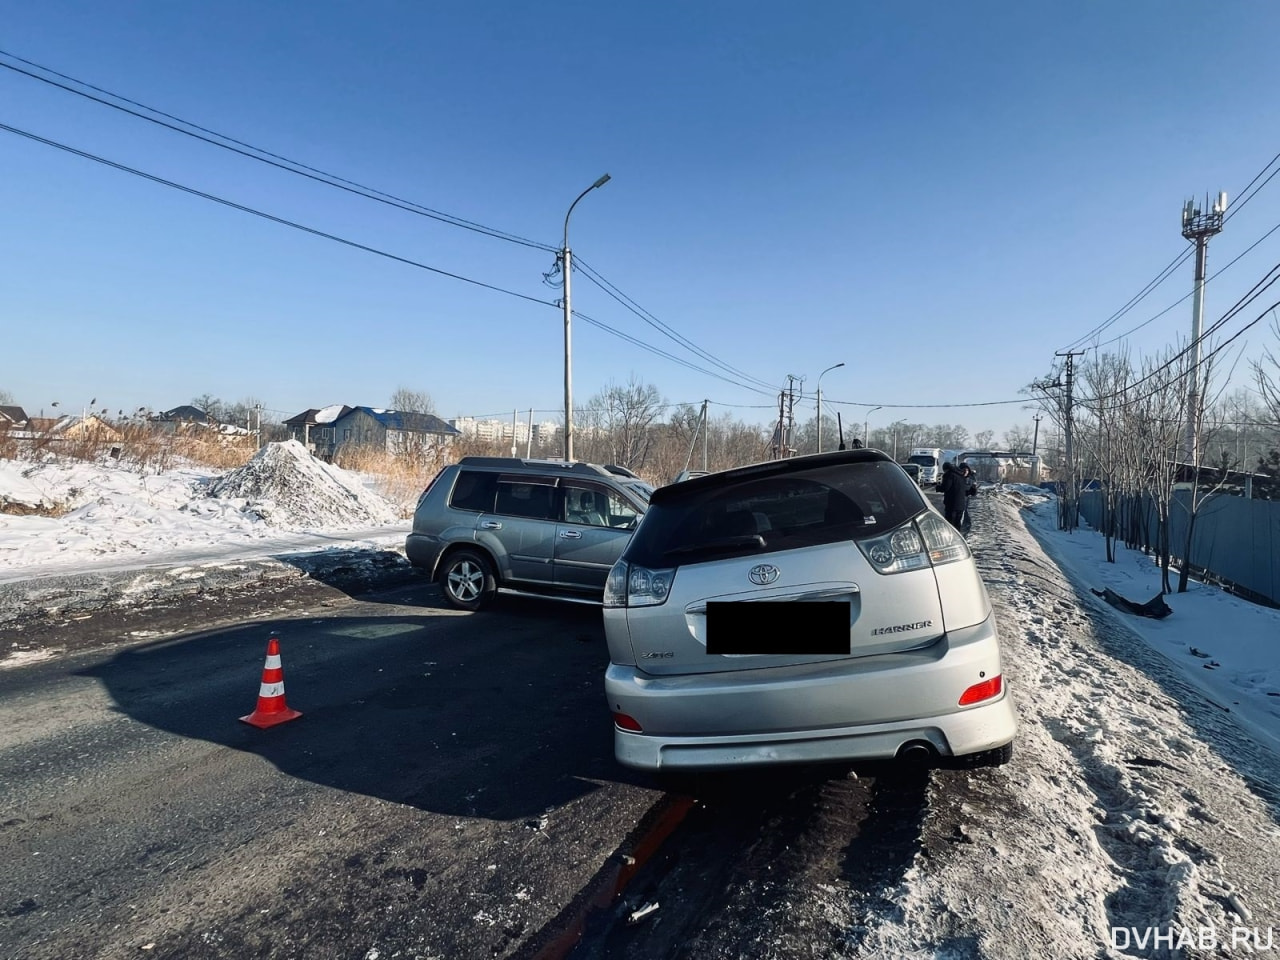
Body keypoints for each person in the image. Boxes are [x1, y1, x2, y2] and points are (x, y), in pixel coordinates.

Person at [939, 461, 966, 530]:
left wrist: (938, 487)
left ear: (946, 469)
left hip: (952, 504)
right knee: (957, 523)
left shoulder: (949, 475)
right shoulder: (961, 475)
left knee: (949, 524)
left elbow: (946, 487)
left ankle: (950, 539)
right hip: (961, 504)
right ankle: (958, 538)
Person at [958, 462, 977, 532]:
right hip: (954, 502)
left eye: (967, 470)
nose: (965, 472)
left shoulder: (970, 479)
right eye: (963, 470)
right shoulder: (956, 478)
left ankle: (962, 531)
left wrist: (974, 488)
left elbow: (973, 493)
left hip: (964, 501)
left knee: (962, 516)